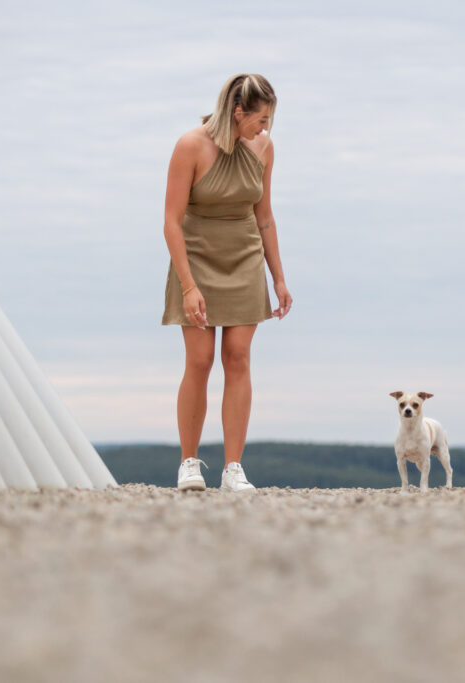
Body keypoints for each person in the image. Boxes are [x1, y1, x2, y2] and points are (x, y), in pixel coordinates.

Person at [162, 74, 292, 492]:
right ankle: (188, 464)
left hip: (245, 259)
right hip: (196, 260)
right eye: (262, 118)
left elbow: (265, 216)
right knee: (198, 361)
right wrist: (187, 286)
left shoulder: (264, 148)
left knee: (237, 358)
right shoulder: (190, 146)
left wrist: (279, 278)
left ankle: (233, 469)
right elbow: (170, 221)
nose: (266, 127)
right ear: (239, 113)